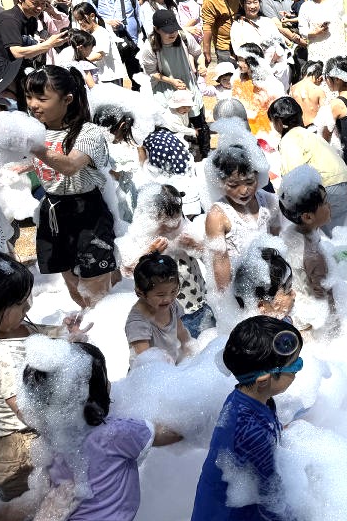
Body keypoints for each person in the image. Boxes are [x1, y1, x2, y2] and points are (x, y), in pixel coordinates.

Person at [28, 340, 182, 521]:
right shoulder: (118, 433)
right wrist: (192, 413)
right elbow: (172, 433)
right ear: (103, 389)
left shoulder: (48, 438)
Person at [188, 316, 306, 521]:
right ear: (265, 379)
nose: (299, 372)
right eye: (295, 367)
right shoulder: (250, 430)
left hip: (234, 509)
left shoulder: (252, 398)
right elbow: (269, 500)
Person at [0, 252, 90, 500]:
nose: (29, 306)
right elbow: (27, 411)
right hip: (16, 449)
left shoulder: (17, 326)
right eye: (20, 303)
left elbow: (39, 337)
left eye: (28, 298)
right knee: (34, 506)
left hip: (40, 436)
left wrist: (67, 333)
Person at [26, 66, 117, 308]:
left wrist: (33, 145)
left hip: (86, 212)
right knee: (72, 283)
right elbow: (36, 162)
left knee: (97, 289)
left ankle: (106, 330)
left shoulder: (88, 133)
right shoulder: (36, 131)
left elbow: (69, 166)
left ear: (67, 100)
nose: (33, 104)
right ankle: (87, 325)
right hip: (53, 211)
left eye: (42, 98)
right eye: (28, 97)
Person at [120, 184, 214, 338]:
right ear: (149, 218)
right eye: (163, 223)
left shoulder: (186, 229)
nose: (170, 226)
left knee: (205, 340)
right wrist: (149, 253)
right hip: (166, 312)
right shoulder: (144, 238)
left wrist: (196, 246)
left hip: (199, 301)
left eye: (175, 219)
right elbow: (127, 270)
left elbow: (210, 258)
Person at [267, 96, 347, 236]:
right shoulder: (307, 134)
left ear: (278, 122)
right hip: (344, 184)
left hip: (328, 188)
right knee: (338, 236)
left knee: (322, 240)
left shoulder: (289, 139)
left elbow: (295, 176)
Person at [205, 143, 281, 291]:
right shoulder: (218, 215)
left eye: (249, 182)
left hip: (271, 278)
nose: (244, 190)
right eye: (233, 185)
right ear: (220, 183)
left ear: (259, 176)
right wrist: (226, 300)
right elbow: (220, 262)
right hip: (239, 286)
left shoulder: (269, 201)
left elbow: (277, 242)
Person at [138, 9, 210, 158]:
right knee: (171, 127)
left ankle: (205, 155)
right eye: (167, 31)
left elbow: (198, 54)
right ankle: (175, 157)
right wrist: (170, 80)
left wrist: (201, 65)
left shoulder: (184, 37)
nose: (172, 34)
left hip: (188, 86)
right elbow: (152, 73)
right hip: (166, 90)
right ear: (157, 30)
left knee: (198, 123)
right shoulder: (149, 48)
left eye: (174, 29)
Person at [277, 166, 338, 322]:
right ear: (308, 217)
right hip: (312, 318)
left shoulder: (291, 231)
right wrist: (335, 326)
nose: (329, 206)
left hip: (298, 309)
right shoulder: (314, 255)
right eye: (325, 202)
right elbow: (324, 297)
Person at [0, 0, 69, 71]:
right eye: (35, 3)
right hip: (1, 75)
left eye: (43, 4)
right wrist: (49, 44)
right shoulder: (8, 19)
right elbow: (17, 52)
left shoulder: (32, 18)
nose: (39, 8)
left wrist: (39, 43)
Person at [124, 252, 191, 364]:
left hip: (170, 368)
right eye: (161, 295)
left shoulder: (172, 305)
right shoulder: (137, 323)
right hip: (149, 374)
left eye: (174, 291)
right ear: (140, 292)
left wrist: (189, 349)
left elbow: (181, 332)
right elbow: (145, 358)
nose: (168, 299)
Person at [231, 0, 290, 91]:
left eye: (255, 2)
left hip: (273, 68)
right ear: (242, 4)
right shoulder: (238, 25)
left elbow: (280, 42)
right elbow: (238, 50)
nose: (253, 6)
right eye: (248, 3)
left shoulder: (267, 21)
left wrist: (276, 55)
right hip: (250, 70)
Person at [70, 1, 129, 87]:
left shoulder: (102, 33)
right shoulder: (88, 34)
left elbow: (99, 55)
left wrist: (78, 62)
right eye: (77, 20)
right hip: (100, 77)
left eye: (82, 19)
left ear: (92, 16)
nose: (80, 22)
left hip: (110, 77)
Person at [299, 0, 343, 64]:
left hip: (336, 50)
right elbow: (302, 30)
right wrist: (315, 32)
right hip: (316, 52)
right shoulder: (306, 6)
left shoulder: (335, 1)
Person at [202, 0, 243, 65]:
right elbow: (207, 26)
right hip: (224, 46)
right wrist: (206, 51)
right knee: (227, 77)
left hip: (240, 43)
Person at [289, 59, 327, 125]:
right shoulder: (319, 91)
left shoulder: (293, 88)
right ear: (318, 76)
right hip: (312, 128)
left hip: (297, 128)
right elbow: (324, 116)